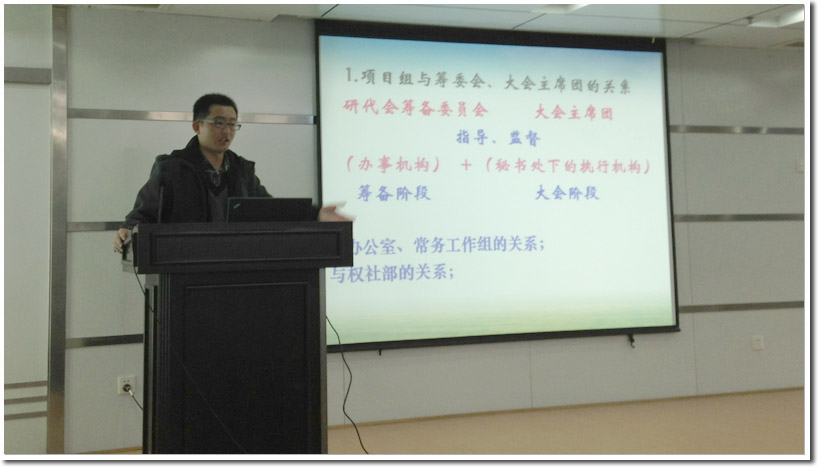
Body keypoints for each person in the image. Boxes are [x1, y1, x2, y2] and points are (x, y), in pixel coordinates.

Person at [113, 93, 349, 252]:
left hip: (233, 264)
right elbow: (144, 212)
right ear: (197, 126)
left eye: (232, 124)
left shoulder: (242, 170)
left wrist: (316, 214)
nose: (226, 131)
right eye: (218, 123)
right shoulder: (172, 168)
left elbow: (269, 210)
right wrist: (128, 229)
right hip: (184, 265)